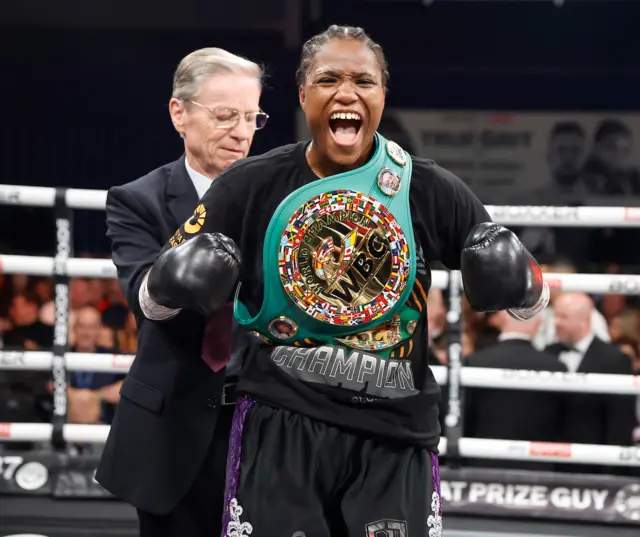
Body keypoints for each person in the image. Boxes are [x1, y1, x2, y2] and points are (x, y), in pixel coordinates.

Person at [139, 26, 549, 537]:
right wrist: (172, 282)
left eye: (364, 81)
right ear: (303, 93)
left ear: (381, 95)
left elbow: (531, 303)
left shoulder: (427, 187)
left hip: (394, 432)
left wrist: (523, 285)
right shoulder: (250, 184)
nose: (347, 92)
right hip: (282, 419)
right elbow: (153, 300)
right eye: (329, 79)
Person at [95, 47, 269, 537]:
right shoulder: (138, 199)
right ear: (180, 113)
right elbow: (145, 301)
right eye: (225, 115)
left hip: (266, 425)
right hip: (171, 427)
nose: (241, 132)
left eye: (252, 117)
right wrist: (187, 261)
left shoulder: (281, 200)